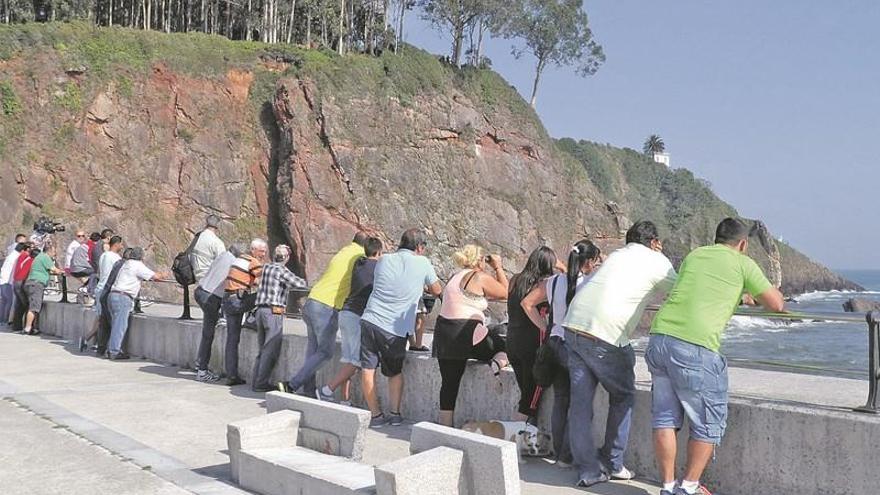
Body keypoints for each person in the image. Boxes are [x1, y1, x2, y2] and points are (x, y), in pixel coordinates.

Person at [647, 218, 784, 495]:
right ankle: (688, 488)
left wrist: (739, 297)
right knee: (708, 422)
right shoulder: (743, 263)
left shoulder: (695, 255)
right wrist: (753, 296)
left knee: (664, 418)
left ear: (717, 238)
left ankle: (668, 486)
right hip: (694, 346)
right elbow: (777, 304)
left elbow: (702, 290)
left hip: (660, 337)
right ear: (743, 244)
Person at [561, 221, 677, 488]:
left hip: (574, 325)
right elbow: (681, 290)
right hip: (606, 334)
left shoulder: (617, 255)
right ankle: (613, 462)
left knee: (580, 403)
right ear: (655, 242)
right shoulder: (657, 261)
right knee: (623, 395)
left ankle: (588, 470)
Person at [521, 240, 602, 466]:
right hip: (576, 347)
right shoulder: (592, 282)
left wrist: (545, 327)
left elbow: (527, 303)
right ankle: (571, 455)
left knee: (560, 399)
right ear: (589, 261)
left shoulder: (554, 282)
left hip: (554, 343)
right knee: (579, 403)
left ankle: (561, 456)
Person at [357, 229, 442, 428]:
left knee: (368, 369)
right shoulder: (423, 263)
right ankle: (394, 414)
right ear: (420, 247)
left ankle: (376, 416)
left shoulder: (384, 260)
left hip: (370, 319)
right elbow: (437, 290)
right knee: (394, 372)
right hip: (393, 328)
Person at [281, 232, 367, 397]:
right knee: (326, 352)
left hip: (312, 300)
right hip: (326, 306)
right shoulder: (360, 255)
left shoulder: (344, 251)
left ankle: (308, 390)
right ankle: (291, 385)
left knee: (313, 352)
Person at [432, 244, 509, 427]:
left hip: (444, 333)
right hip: (468, 333)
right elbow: (506, 292)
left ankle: (445, 425)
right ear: (480, 260)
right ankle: (498, 363)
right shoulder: (479, 277)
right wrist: (497, 267)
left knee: (449, 383)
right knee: (505, 344)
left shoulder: (454, 277)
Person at [315, 237, 384, 403]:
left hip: (345, 313)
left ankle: (345, 400)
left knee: (348, 359)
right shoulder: (378, 268)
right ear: (379, 252)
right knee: (356, 361)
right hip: (356, 316)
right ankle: (327, 389)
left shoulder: (358, 264)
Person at [506, 246, 559, 428]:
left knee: (526, 392)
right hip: (532, 346)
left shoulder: (515, 280)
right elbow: (526, 304)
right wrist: (544, 326)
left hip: (512, 341)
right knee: (530, 400)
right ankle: (512, 441)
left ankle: (529, 437)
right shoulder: (544, 284)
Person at [251, 245, 307, 392]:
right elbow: (300, 284)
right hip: (273, 312)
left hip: (260, 311)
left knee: (262, 349)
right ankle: (260, 383)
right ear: (286, 258)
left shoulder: (267, 267)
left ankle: (255, 381)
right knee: (270, 349)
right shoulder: (281, 270)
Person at [106, 247, 167, 360]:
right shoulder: (137, 265)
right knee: (120, 325)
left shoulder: (127, 263)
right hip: (123, 297)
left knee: (115, 324)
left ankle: (111, 348)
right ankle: (114, 351)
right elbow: (155, 276)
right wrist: (163, 274)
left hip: (113, 295)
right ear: (141, 257)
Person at [222, 238, 267, 386]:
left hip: (228, 299)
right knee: (264, 294)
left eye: (265, 252)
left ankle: (231, 375)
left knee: (232, 340)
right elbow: (263, 281)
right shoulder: (252, 261)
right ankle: (253, 319)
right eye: (261, 251)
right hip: (238, 300)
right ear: (253, 250)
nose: (264, 254)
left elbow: (247, 279)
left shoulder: (240, 259)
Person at [194, 244, 240, 382]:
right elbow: (231, 284)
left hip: (200, 290)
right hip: (211, 297)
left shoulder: (223, 255)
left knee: (206, 332)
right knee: (208, 334)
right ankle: (202, 370)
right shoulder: (233, 262)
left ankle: (199, 364)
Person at [80, 235, 124, 353]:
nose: (122, 246)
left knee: (101, 318)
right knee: (105, 320)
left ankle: (96, 343)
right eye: (121, 244)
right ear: (117, 244)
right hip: (107, 289)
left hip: (99, 288)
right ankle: (91, 340)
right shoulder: (115, 258)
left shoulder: (103, 255)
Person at [23, 243, 63, 335]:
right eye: (53, 252)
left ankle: (33, 327)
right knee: (34, 307)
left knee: (34, 306)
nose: (54, 254)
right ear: (49, 251)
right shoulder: (45, 257)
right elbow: (54, 269)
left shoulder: (40, 257)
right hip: (36, 283)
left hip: (32, 283)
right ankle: (27, 328)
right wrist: (62, 271)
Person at [190, 214, 226, 283]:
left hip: (196, 277)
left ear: (206, 223)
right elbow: (223, 265)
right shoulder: (217, 242)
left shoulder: (197, 237)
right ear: (217, 226)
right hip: (209, 281)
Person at [10, 245, 36, 332]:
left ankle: (16, 326)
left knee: (20, 304)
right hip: (21, 282)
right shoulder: (28, 258)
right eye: (31, 248)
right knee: (25, 305)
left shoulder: (23, 257)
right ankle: (26, 326)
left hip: (17, 281)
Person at [0, 241, 26, 327]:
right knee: (9, 302)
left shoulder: (10, 255)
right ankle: (5, 320)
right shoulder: (16, 257)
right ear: (22, 250)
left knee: (4, 302)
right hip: (8, 281)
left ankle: (2, 320)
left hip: (3, 280)